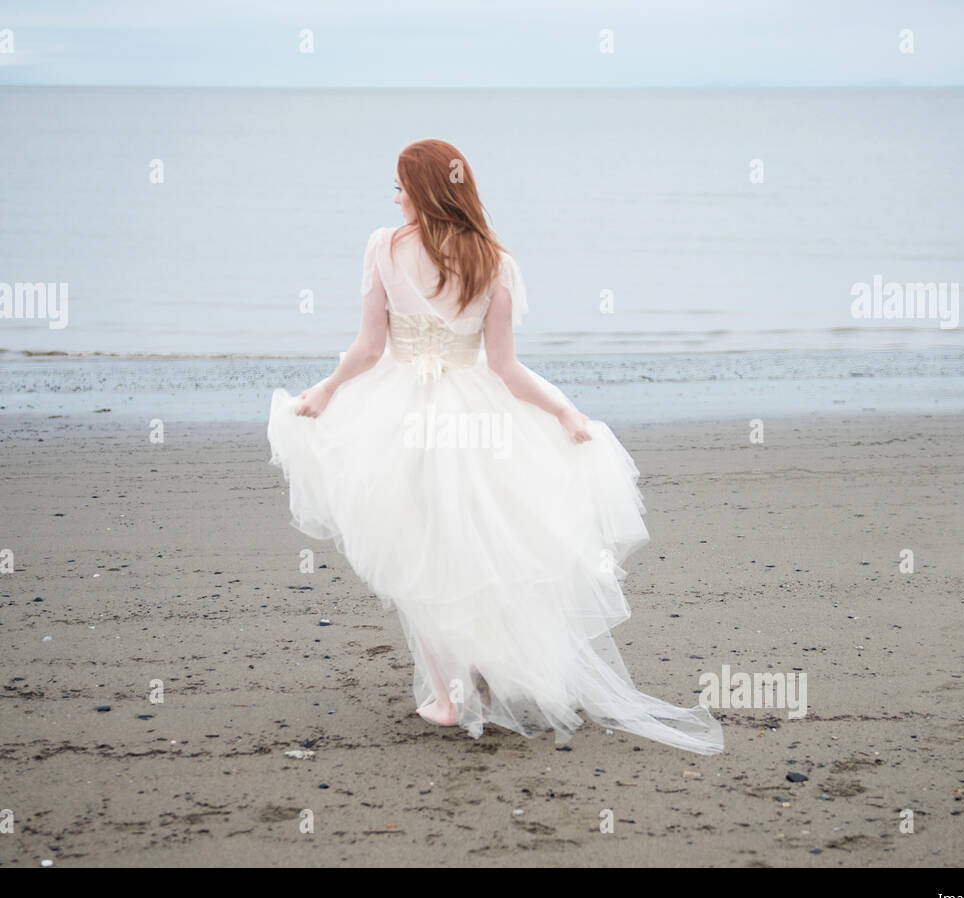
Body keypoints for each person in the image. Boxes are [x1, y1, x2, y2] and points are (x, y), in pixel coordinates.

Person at [267, 138, 723, 755]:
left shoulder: (383, 247)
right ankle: (473, 680)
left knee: (413, 545)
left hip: (399, 410)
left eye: (402, 186)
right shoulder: (494, 260)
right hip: (476, 410)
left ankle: (451, 697)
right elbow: (507, 368)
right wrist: (563, 410)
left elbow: (369, 349)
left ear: (426, 191)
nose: (395, 196)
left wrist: (326, 389)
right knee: (477, 538)